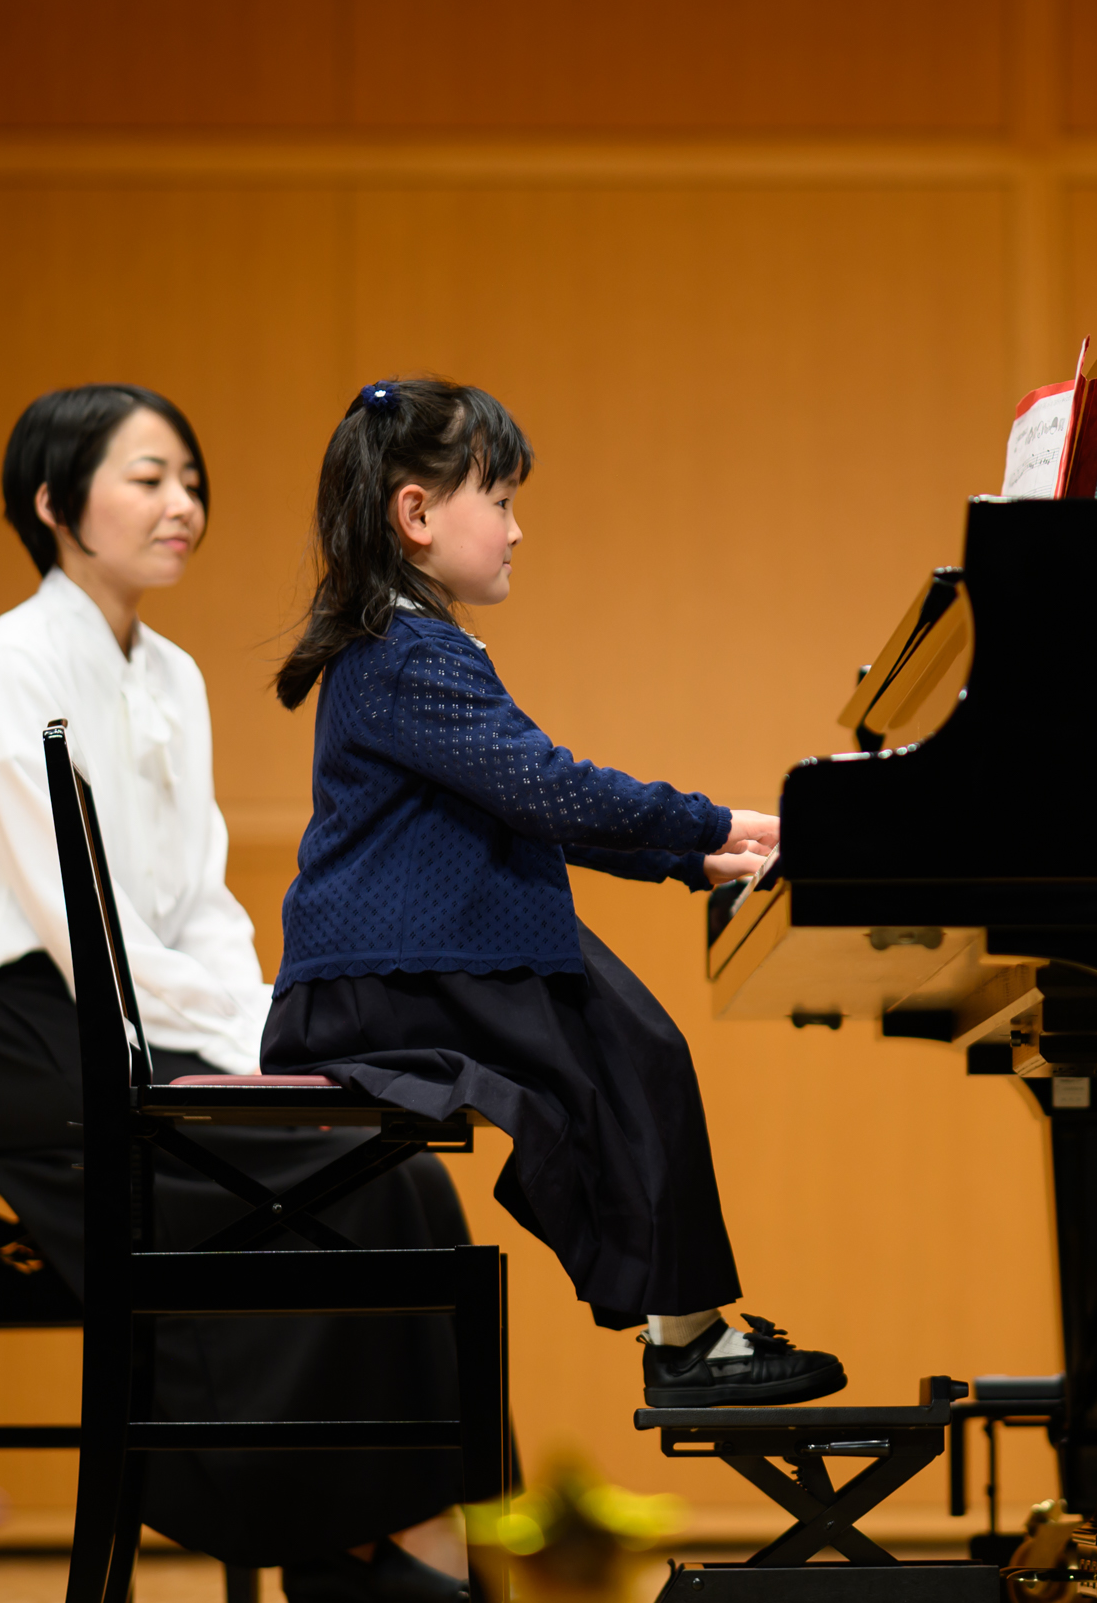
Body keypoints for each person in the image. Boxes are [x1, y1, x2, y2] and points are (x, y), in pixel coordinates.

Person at [0, 383, 479, 1603]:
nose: (182, 504)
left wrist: (266, 1031)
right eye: (148, 477)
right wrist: (231, 1051)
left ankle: (372, 1533)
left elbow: (198, 901)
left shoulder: (173, 672)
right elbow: (77, 920)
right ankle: (338, 1530)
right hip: (21, 1035)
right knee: (323, 1183)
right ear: (55, 505)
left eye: (191, 480)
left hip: (124, 1019)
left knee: (394, 1172)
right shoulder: (11, 660)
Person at [264, 377, 846, 1408]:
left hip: (417, 959)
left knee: (635, 1048)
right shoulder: (407, 655)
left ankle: (681, 1331)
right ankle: (683, 1338)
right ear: (415, 514)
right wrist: (706, 826)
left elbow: (532, 803)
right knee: (635, 1050)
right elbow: (546, 786)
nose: (517, 529)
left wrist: (692, 851)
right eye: (498, 499)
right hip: (381, 981)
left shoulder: (404, 643)